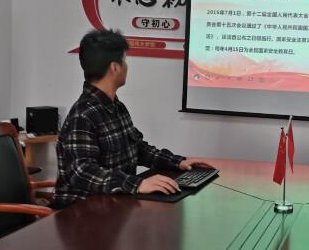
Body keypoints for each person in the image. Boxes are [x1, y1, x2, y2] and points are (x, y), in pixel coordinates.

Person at [54, 29, 212, 208]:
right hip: (83, 212)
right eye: (124, 61)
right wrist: (137, 184)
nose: (127, 67)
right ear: (115, 67)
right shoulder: (83, 115)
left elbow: (138, 148)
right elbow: (81, 171)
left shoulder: (116, 107)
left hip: (116, 204)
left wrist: (178, 162)